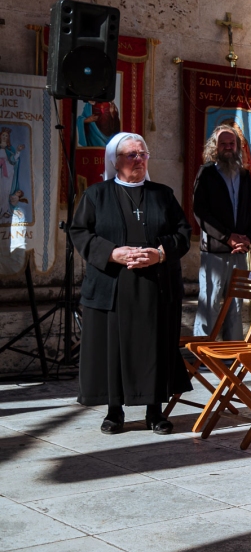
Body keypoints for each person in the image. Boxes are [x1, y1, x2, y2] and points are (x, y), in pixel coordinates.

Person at [70, 133, 192, 435]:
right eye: (131, 155)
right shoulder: (96, 195)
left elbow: (183, 232)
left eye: (142, 154)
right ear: (116, 161)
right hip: (113, 286)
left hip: (155, 286)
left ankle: (155, 412)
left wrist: (160, 254)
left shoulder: (163, 194)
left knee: (155, 347)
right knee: (114, 349)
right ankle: (114, 412)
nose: (138, 160)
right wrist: (112, 252)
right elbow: (79, 232)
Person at [192, 125, 251, 341]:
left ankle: (232, 354)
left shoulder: (245, 175)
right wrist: (227, 237)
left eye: (232, 144)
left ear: (237, 147)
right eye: (224, 144)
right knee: (209, 303)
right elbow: (200, 212)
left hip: (240, 251)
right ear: (215, 147)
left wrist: (246, 238)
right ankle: (202, 355)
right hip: (215, 251)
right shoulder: (207, 173)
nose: (228, 148)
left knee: (236, 304)